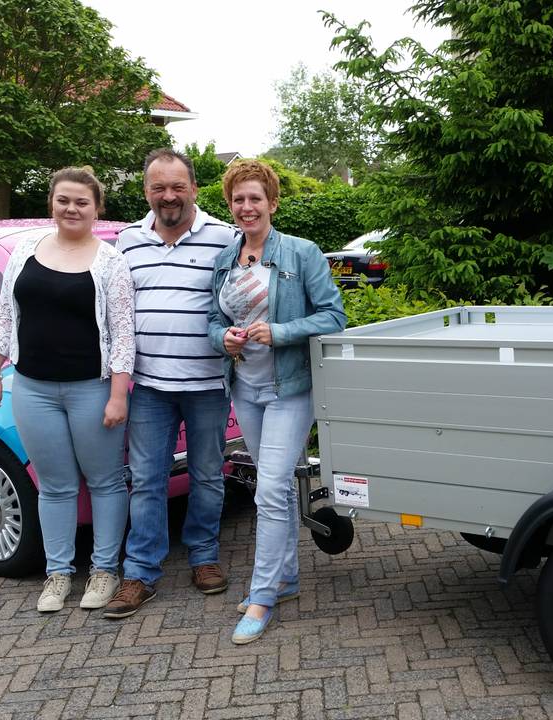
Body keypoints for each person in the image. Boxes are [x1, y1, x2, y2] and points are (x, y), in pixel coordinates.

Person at [0, 166, 135, 613]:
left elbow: (124, 334)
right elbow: (6, 317)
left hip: (93, 387)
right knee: (54, 485)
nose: (72, 208)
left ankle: (105, 570)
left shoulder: (111, 261)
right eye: (64, 200)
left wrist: (119, 394)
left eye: (82, 202)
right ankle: (58, 573)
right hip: (32, 387)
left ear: (96, 208)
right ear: (51, 203)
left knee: (106, 481)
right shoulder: (25, 252)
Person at [208, 159, 345, 644]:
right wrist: (222, 336)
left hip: (290, 388)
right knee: (278, 488)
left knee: (267, 489)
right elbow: (210, 320)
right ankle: (284, 579)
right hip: (245, 387)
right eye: (238, 200)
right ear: (231, 206)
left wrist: (282, 332)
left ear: (272, 202)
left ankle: (262, 595)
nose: (247, 207)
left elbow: (334, 316)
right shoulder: (226, 258)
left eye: (255, 198)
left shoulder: (301, 253)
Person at [102, 148, 237, 619]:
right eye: (158, 187)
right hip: (150, 387)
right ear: (146, 192)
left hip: (207, 384)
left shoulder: (225, 237)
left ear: (194, 189)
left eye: (178, 186)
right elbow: (114, 312)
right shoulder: (127, 242)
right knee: (146, 480)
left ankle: (203, 557)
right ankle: (140, 572)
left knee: (205, 475)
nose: (169, 196)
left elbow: (240, 298)